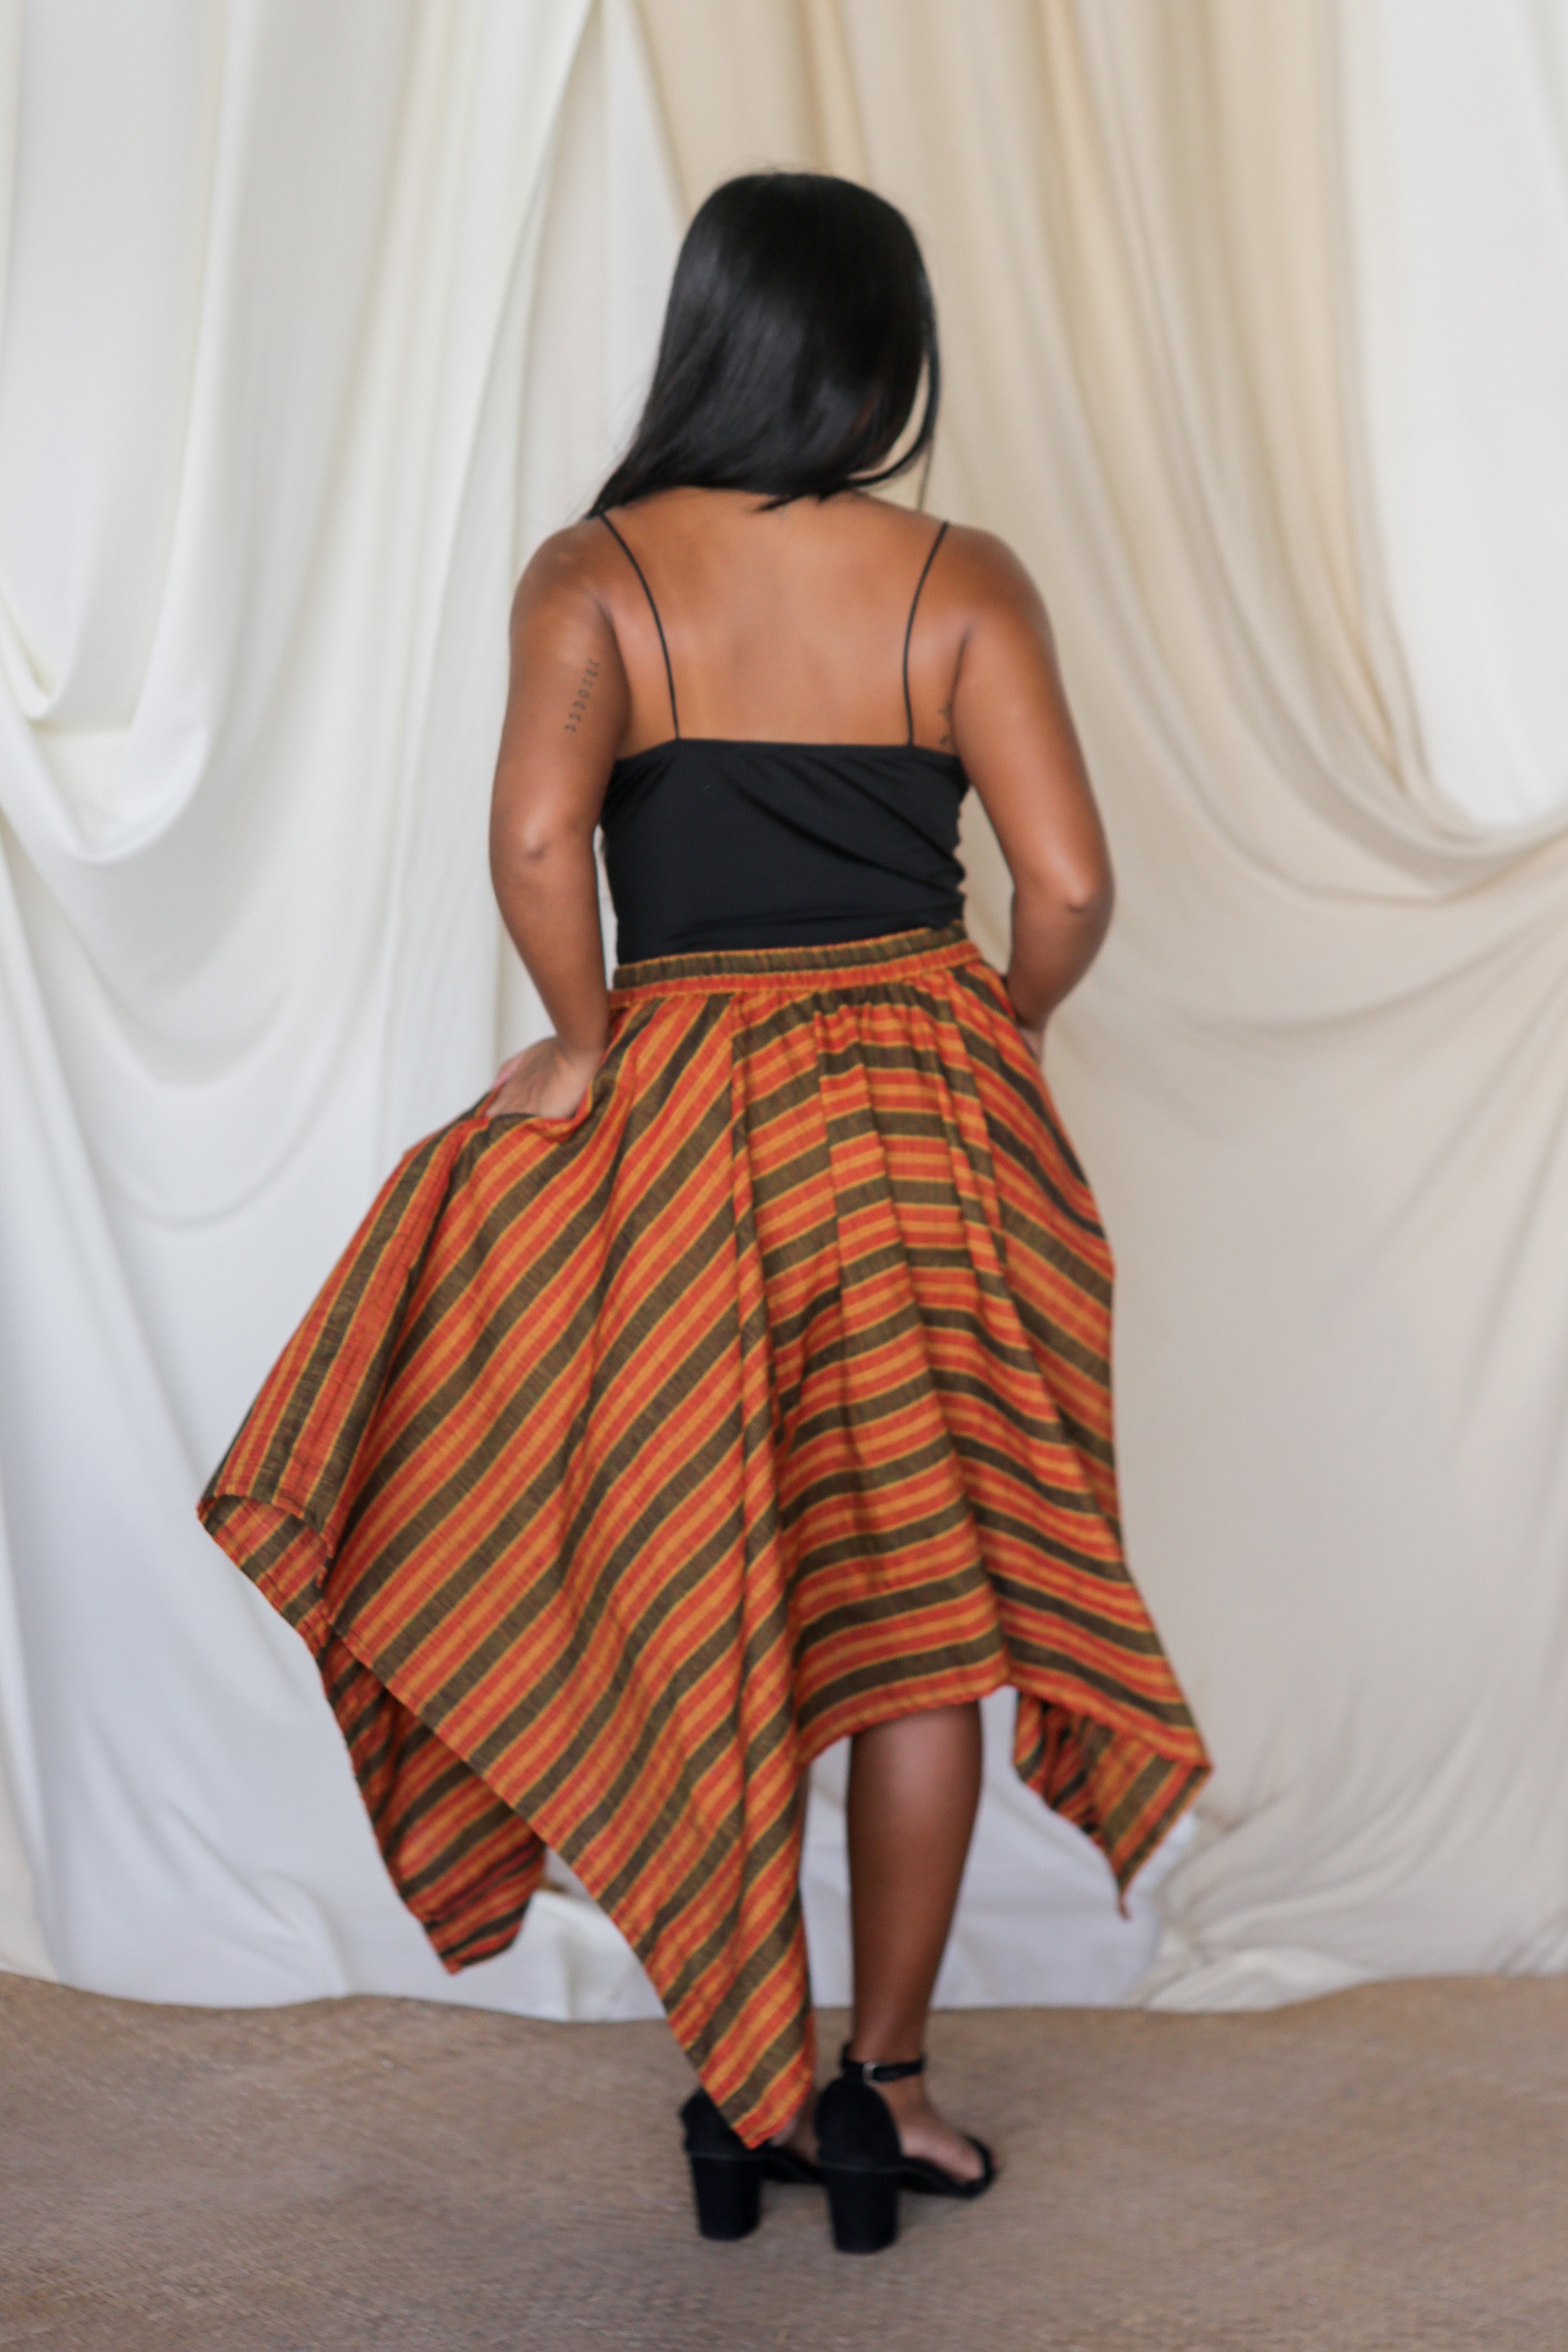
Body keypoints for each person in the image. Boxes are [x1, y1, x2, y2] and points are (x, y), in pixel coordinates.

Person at [200, 171, 1208, 2257]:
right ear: (879, 355)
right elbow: (1072, 883)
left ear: (707, 338)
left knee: (695, 1573)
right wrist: (997, 1029)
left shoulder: (592, 573)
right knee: (923, 1630)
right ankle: (880, 2095)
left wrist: (588, 1042)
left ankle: (738, 2079)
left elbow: (535, 835)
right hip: (918, 1131)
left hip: (689, 1138)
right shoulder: (959, 579)